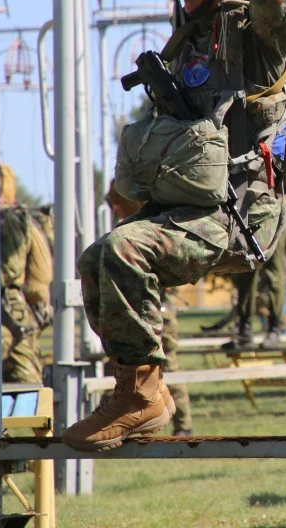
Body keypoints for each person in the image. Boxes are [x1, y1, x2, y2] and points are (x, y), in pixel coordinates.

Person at [65, 0, 286, 451]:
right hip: (185, 209)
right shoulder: (185, 47)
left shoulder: (258, 40)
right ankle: (138, 387)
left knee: (121, 253)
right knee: (95, 260)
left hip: (237, 216)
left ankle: (143, 396)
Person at [105, 181, 192, 437]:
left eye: (119, 206)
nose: (116, 211)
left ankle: (182, 423)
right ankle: (151, 421)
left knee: (168, 365)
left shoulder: (146, 230)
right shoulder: (142, 228)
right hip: (150, 307)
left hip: (158, 308)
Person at [0, 163, 52, 384]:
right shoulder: (19, 219)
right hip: (15, 313)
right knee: (26, 386)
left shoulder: (11, 220)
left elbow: (11, 269)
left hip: (9, 311)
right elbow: (38, 278)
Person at [222, 211, 286, 351]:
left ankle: (274, 329)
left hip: (272, 215)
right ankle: (245, 331)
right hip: (247, 217)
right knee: (245, 271)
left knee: (275, 276)